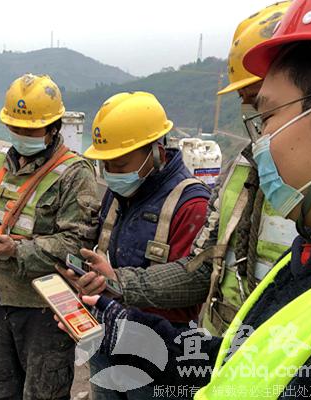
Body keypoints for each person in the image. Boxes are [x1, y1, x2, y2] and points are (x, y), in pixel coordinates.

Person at [73, 0, 311, 396]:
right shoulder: (306, 250)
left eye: (265, 114)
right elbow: (231, 336)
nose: (260, 139)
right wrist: (120, 309)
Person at [60, 1, 297, 337]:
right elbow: (201, 271)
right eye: (245, 101)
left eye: (260, 100)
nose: (252, 114)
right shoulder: (241, 173)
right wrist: (117, 282)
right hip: (224, 352)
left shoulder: (190, 202)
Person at [0, 73, 100, 400]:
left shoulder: (75, 173)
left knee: (43, 392)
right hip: (1, 298)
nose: (21, 136)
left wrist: (15, 251)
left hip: (46, 308)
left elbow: (77, 245)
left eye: (30, 130)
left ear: (53, 128)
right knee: (1, 389)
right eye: (15, 128)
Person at [74, 91, 210, 399]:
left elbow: (192, 284)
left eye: (120, 164)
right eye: (105, 166)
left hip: (160, 353)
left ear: (157, 152)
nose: (112, 174)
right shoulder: (118, 194)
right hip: (108, 335)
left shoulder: (191, 204)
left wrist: (118, 281)